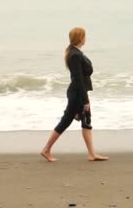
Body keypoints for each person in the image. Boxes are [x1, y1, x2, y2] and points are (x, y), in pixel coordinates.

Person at [40, 27, 109, 162]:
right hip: (77, 94)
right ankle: (46, 149)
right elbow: (78, 80)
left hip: (79, 93)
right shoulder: (75, 55)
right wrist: (85, 101)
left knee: (86, 121)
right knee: (66, 121)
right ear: (80, 38)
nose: (86, 38)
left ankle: (91, 154)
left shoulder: (75, 52)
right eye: (84, 36)